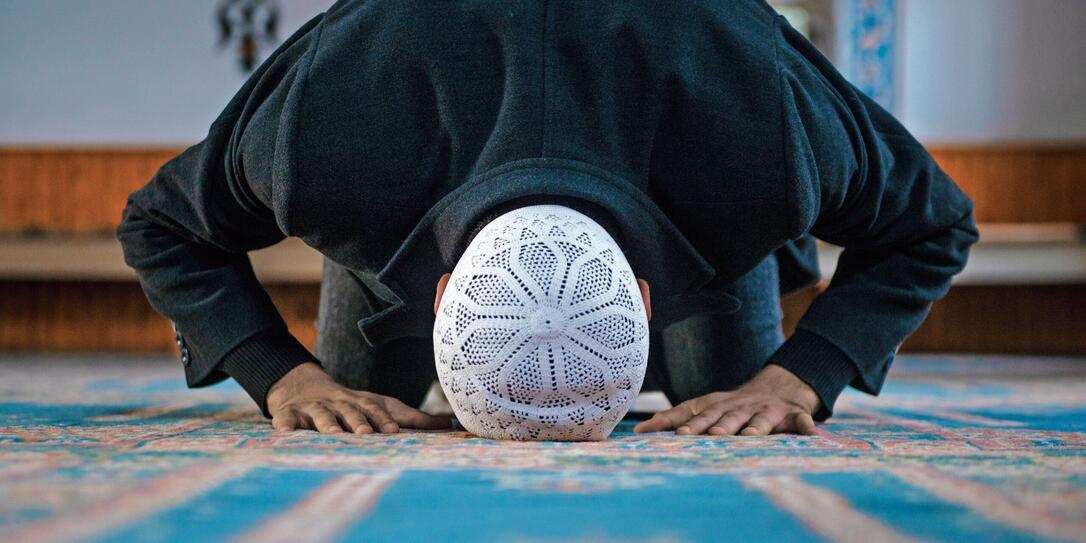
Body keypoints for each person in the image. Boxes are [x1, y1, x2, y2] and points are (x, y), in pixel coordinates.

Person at [116, 0, 978, 439]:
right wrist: (281, 375)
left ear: (644, 298)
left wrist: (802, 375)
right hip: (404, 174)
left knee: (734, 410)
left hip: (703, 202)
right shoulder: (334, 132)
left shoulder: (760, 127)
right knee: (339, 412)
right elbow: (160, 223)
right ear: (440, 289)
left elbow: (935, 221)